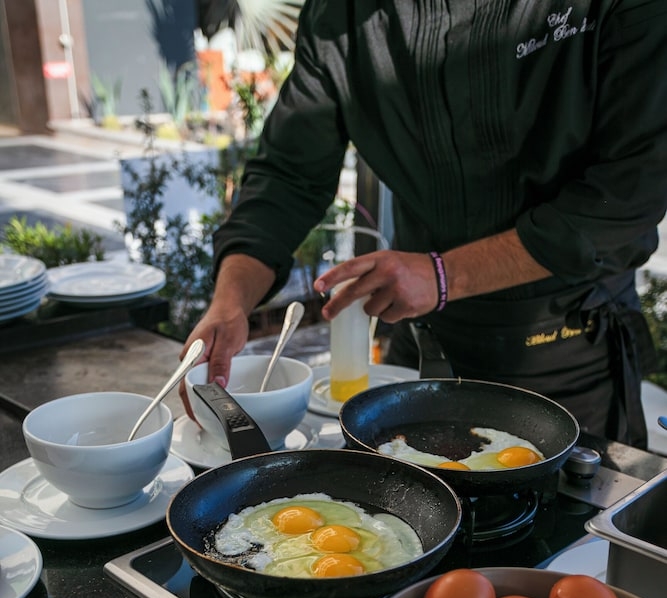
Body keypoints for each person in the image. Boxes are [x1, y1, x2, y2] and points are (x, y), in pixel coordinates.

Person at [179, 0, 667, 447]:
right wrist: (230, 300)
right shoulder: (340, 14)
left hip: (564, 352)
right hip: (418, 346)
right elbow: (287, 176)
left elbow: (633, 188)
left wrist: (442, 275)